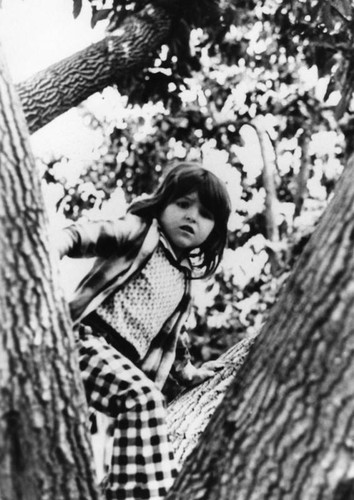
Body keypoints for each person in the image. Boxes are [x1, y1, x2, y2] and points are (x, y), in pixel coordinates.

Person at [57, 162, 231, 500]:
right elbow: (88, 234)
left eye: (205, 214)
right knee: (143, 399)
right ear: (163, 203)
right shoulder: (140, 232)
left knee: (130, 445)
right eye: (183, 204)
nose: (191, 217)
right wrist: (56, 245)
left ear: (214, 229)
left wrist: (190, 372)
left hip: (119, 368)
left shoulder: (183, 282)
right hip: (84, 342)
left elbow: (172, 341)